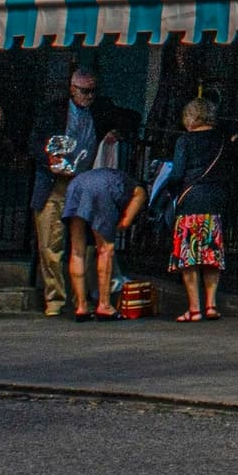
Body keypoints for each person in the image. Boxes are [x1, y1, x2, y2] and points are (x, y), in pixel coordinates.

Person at [27, 64, 139, 318]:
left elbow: (132, 118)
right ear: (71, 89)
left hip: (83, 180)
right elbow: (34, 142)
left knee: (86, 242)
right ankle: (55, 299)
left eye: (92, 91)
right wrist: (50, 161)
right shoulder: (53, 111)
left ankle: (84, 297)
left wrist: (115, 131)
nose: (88, 96)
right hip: (55, 182)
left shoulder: (100, 109)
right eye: (83, 91)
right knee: (51, 242)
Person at [153, 96, 235, 322]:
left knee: (188, 256)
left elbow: (178, 173)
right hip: (215, 199)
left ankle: (194, 308)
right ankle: (211, 305)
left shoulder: (185, 141)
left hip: (190, 200)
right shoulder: (221, 140)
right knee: (211, 254)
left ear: (190, 117)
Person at [58, 104, 142, 319]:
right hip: (102, 191)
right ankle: (104, 304)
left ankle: (81, 306)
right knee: (105, 250)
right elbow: (127, 219)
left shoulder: (103, 174)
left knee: (76, 249)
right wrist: (122, 222)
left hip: (77, 184)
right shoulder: (134, 186)